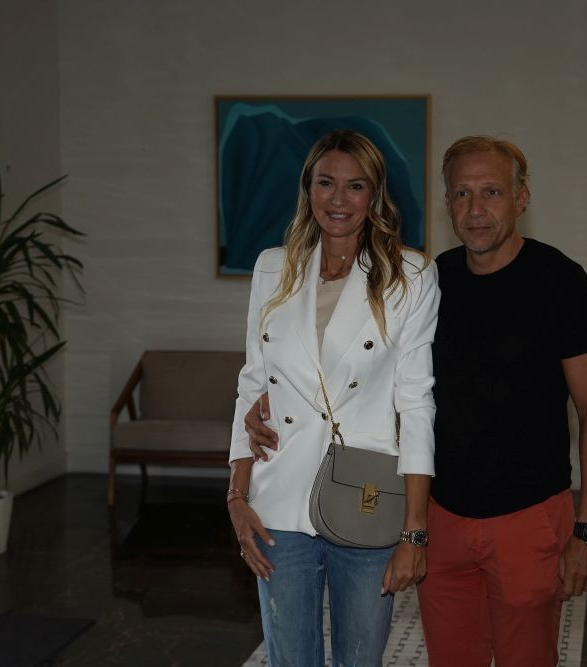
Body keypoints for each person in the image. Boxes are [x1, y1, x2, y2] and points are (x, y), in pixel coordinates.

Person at [247, 135, 587, 667]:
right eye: (462, 193)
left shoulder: (561, 281)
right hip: (441, 519)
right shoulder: (430, 280)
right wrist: (272, 391)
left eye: (491, 192)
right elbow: (387, 379)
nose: (476, 208)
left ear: (521, 197)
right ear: (447, 202)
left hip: (528, 516)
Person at [227, 129, 440, 667]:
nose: (338, 199)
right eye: (326, 183)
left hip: (367, 496)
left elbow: (417, 403)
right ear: (308, 189)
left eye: (355, 185)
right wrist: (236, 497)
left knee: (360, 660)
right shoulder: (272, 268)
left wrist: (415, 530)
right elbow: (252, 381)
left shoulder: (410, 275)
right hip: (279, 499)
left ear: (374, 195)